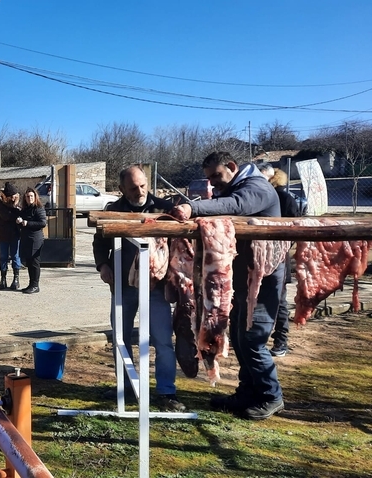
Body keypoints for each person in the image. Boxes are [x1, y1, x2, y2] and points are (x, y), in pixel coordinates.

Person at [172, 151, 284, 420]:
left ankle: (272, 396)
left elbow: (235, 205)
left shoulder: (257, 187)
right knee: (239, 337)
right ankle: (247, 392)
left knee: (253, 339)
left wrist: (193, 208)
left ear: (232, 167)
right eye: (209, 178)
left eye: (216, 176)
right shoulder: (238, 186)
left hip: (263, 277)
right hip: (244, 277)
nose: (213, 183)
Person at [92, 165, 185, 411]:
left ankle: (166, 392)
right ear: (122, 189)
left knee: (162, 340)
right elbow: (99, 242)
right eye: (133, 188)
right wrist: (103, 265)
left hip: (156, 288)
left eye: (143, 186)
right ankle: (126, 387)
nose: (140, 191)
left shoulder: (164, 209)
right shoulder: (113, 211)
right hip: (122, 286)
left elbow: (180, 246)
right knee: (120, 338)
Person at [257, 163, 302, 357]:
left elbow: (294, 227)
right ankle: (255, 337)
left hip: (278, 254)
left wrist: (282, 247)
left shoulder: (284, 198)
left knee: (279, 299)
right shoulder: (258, 197)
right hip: (257, 254)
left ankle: (281, 340)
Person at [16, 187, 47, 295]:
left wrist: (27, 223)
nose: (29, 198)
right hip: (26, 238)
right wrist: (19, 221)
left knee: (34, 263)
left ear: (35, 197)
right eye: (28, 196)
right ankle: (31, 284)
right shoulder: (26, 209)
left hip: (36, 239)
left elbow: (42, 223)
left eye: (31, 196)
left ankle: (35, 285)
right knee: (29, 262)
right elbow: (22, 220)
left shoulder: (39, 208)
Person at [0, 182, 23, 290]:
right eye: (12, 196)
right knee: (4, 257)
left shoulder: (16, 202)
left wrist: (16, 208)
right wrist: (16, 208)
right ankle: (3, 279)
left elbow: (21, 213)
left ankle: (16, 279)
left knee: (15, 256)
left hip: (15, 234)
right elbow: (7, 216)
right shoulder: (0, 203)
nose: (14, 198)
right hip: (3, 234)